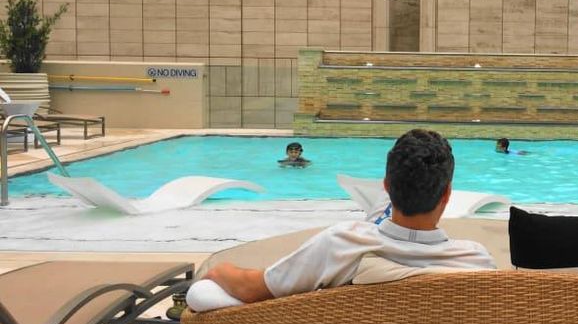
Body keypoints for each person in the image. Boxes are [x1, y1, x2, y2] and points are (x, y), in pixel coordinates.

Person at [189, 129, 496, 309]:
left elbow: (252, 289)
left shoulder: (342, 244)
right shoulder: (476, 263)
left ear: (386, 186)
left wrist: (220, 270)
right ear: (447, 194)